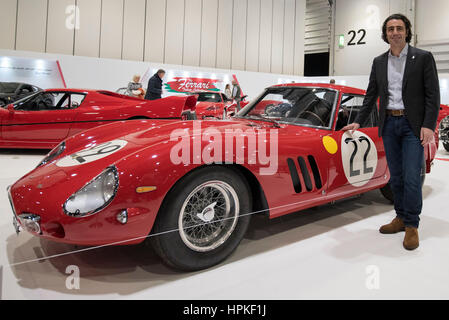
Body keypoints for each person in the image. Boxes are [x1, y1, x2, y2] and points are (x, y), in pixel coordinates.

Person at [342, 13, 440, 251]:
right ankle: (400, 217)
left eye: (399, 28)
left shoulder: (423, 58)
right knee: (394, 176)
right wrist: (359, 121)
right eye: (390, 29)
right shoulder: (378, 62)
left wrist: (428, 125)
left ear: (407, 31)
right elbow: (371, 94)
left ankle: (412, 225)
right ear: (385, 34)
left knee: (411, 176)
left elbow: (432, 95)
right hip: (389, 125)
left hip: (411, 126)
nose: (395, 32)